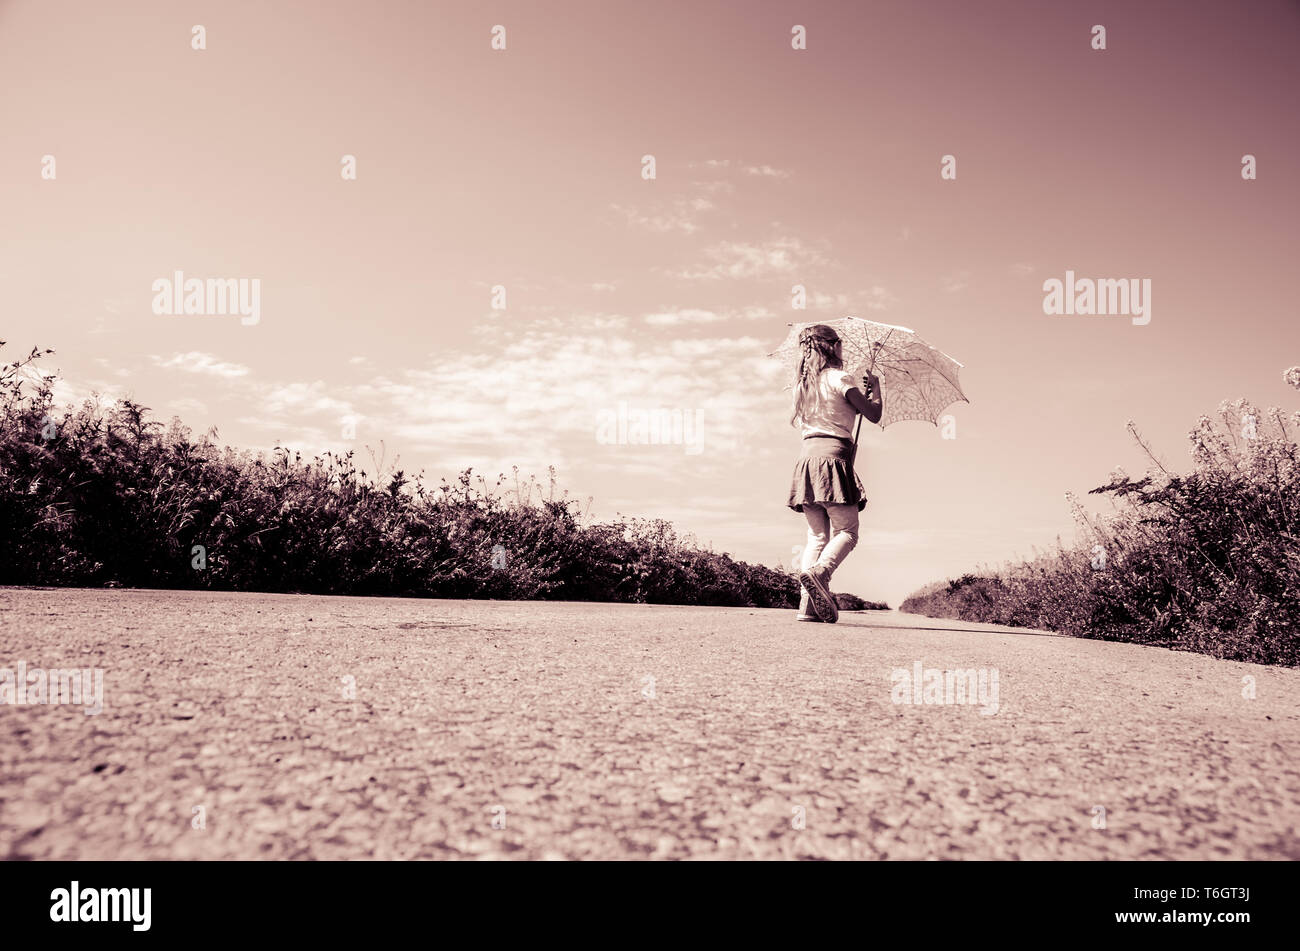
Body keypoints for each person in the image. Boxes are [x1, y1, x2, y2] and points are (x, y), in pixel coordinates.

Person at [786, 324, 882, 623]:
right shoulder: (840, 378)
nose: (843, 348)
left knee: (816, 536)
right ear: (831, 346)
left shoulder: (802, 386)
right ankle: (822, 571)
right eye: (839, 343)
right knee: (847, 532)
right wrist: (875, 389)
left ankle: (807, 607)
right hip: (832, 458)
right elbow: (874, 414)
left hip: (806, 460)